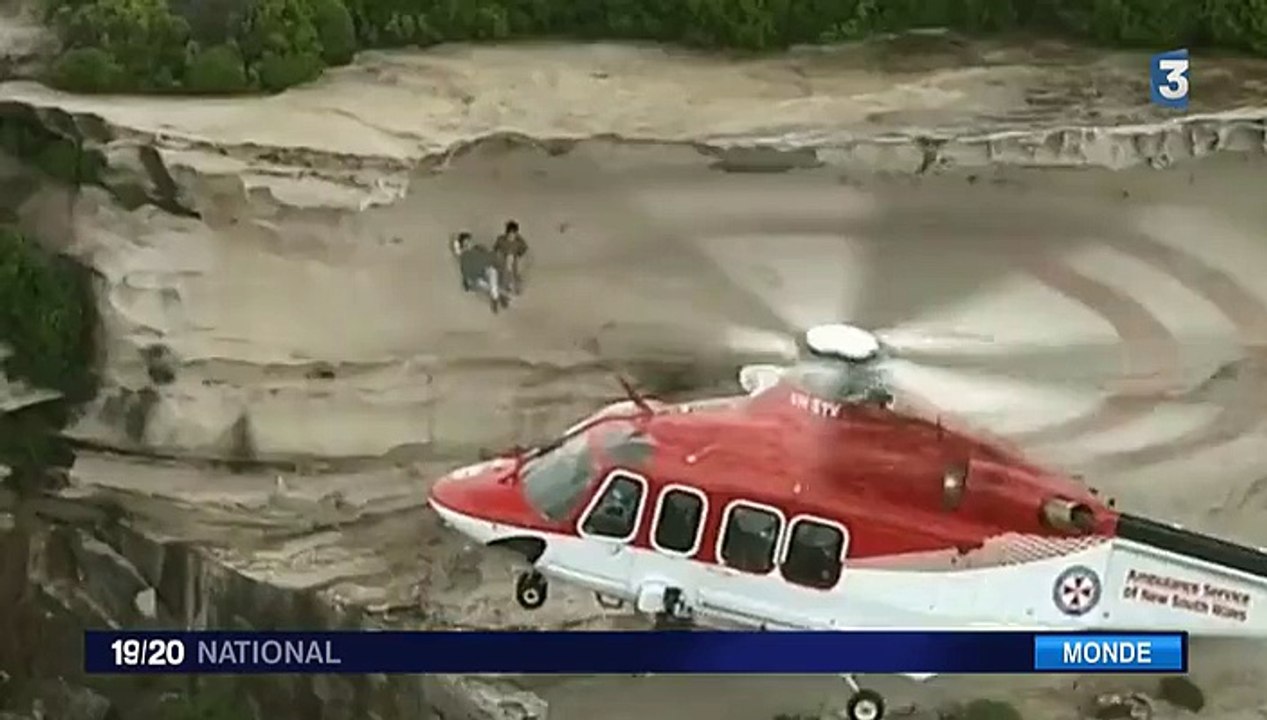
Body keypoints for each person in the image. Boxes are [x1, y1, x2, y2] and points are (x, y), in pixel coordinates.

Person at [453, 230, 508, 313]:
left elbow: (488, 256)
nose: (468, 244)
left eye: (469, 242)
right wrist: (467, 281)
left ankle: (497, 296)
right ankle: (497, 296)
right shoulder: (464, 256)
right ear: (463, 245)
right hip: (477, 277)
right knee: (484, 284)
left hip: (485, 270)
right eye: (465, 243)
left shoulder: (478, 248)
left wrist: (495, 263)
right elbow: (466, 271)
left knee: (492, 272)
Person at [493, 220, 529, 295]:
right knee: (506, 264)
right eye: (510, 233)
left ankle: (514, 285)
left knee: (514, 265)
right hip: (503, 259)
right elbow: (495, 249)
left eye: (514, 233)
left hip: (514, 259)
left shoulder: (519, 241)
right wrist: (500, 255)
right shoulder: (501, 239)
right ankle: (506, 285)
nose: (511, 235)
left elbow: (524, 248)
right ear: (507, 232)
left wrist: (518, 255)